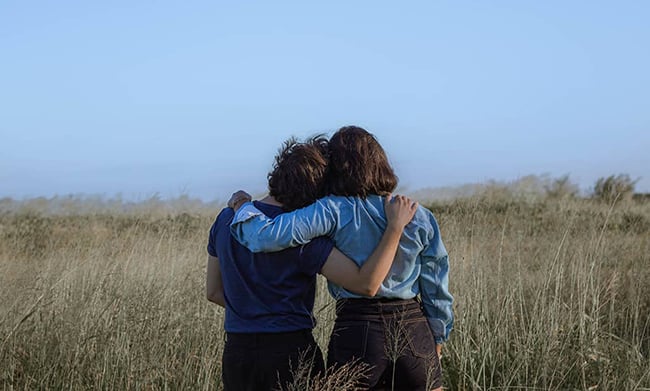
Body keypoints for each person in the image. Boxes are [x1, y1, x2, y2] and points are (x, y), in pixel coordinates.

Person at [228, 126, 453, 391]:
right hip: (416, 330)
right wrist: (437, 338)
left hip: (359, 327)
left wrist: (242, 206)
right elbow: (436, 287)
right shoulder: (419, 214)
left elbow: (264, 237)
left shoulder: (332, 209)